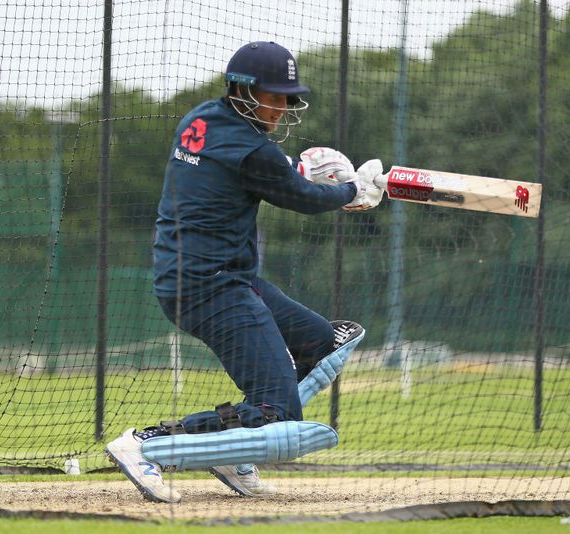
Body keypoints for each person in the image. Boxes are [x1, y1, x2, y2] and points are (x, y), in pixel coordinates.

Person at [105, 41, 385, 503]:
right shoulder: (255, 151)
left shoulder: (200, 118)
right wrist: (353, 190)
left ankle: (232, 449)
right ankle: (147, 444)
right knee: (278, 415)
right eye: (273, 97)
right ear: (241, 90)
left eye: (286, 99)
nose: (281, 108)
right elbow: (304, 198)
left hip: (211, 277)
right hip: (209, 287)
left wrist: (300, 174)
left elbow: (263, 177)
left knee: (325, 341)